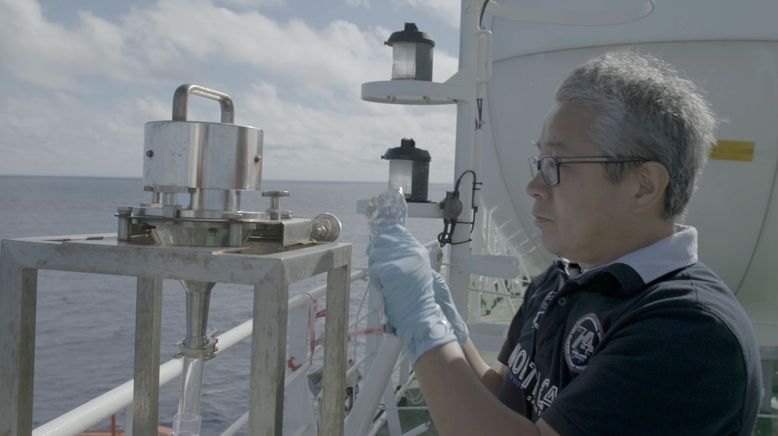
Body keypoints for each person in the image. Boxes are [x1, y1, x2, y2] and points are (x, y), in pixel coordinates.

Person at [367, 51, 762, 435]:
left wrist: (423, 327)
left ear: (643, 186)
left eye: (557, 165)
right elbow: (505, 402)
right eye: (540, 163)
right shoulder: (562, 280)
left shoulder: (689, 332)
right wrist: (446, 327)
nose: (534, 186)